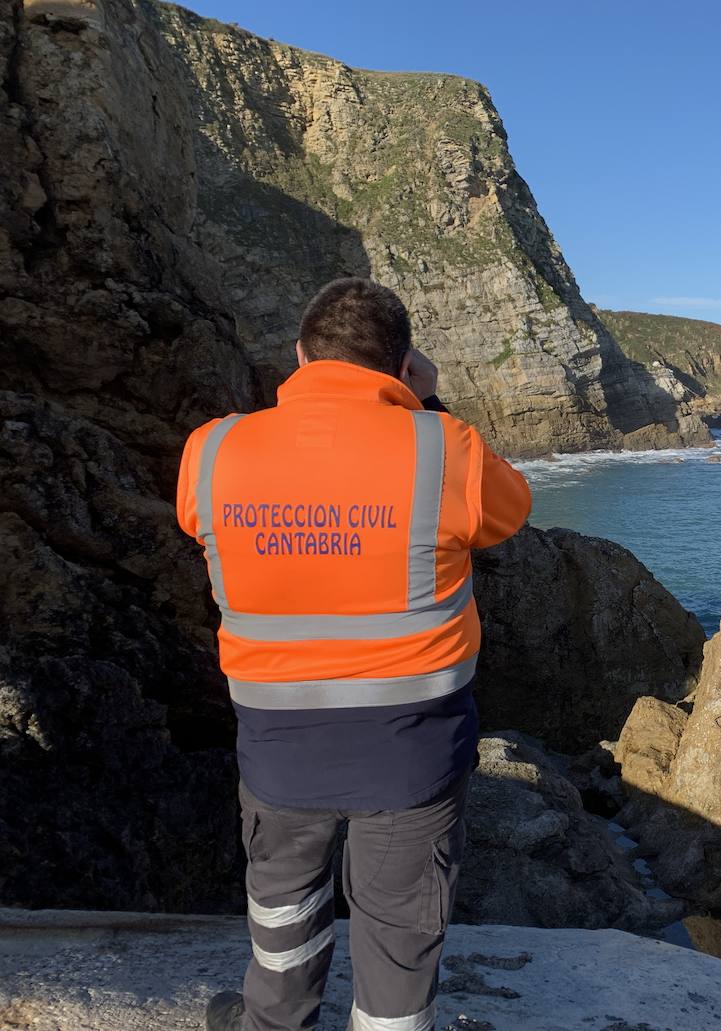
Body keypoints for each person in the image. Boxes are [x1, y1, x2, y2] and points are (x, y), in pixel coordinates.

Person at [176, 278, 532, 1031]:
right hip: (412, 754)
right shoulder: (448, 447)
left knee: (282, 913)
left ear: (299, 357)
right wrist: (427, 405)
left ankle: (271, 1023)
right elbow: (510, 511)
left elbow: (194, 519)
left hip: (275, 749)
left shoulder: (212, 451)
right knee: (400, 935)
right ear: (403, 365)